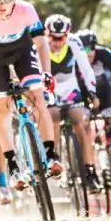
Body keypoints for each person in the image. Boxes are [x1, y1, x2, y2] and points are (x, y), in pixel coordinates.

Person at [0, 0, 61, 205]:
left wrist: (46, 72)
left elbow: (40, 43)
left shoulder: (27, 10)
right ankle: (13, 166)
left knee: (39, 99)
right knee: (2, 111)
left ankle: (50, 154)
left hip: (22, 52)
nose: (1, 5)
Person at [45, 15, 101, 194]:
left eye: (61, 38)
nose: (58, 42)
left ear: (67, 35)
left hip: (71, 91)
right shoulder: (41, 45)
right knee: (52, 117)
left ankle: (90, 171)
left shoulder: (74, 42)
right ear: (48, 34)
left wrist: (92, 92)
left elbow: (86, 69)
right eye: (54, 37)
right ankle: (53, 158)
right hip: (51, 92)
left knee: (79, 123)